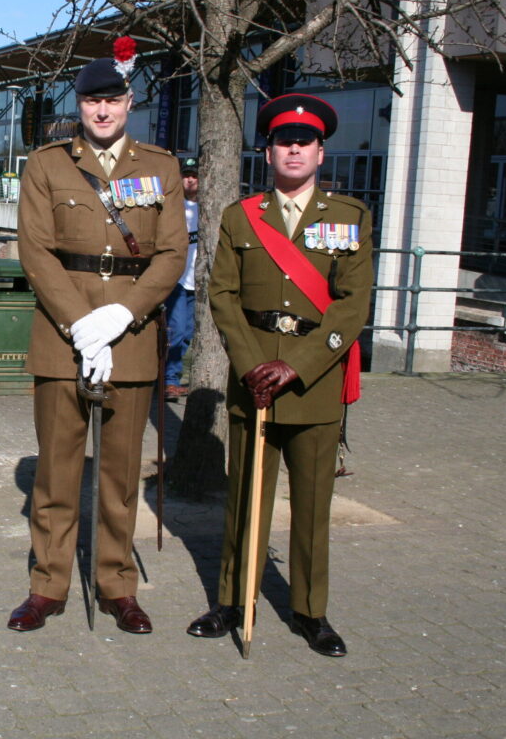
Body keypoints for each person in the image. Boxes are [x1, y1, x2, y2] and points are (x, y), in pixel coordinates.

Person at [186, 93, 372, 657]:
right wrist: (251, 365)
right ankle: (231, 601)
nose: (294, 150)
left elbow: (352, 304)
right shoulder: (241, 218)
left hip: (314, 384)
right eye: (283, 142)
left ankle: (311, 611)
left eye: (305, 142)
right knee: (245, 498)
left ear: (320, 152)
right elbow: (223, 294)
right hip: (255, 382)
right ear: (267, 152)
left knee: (312, 506)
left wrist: (297, 365)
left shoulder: (349, 218)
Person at [10, 46, 187, 634]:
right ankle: (48, 585)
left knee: (118, 476)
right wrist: (81, 324)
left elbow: (171, 254)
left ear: (129, 102)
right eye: (92, 100)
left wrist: (121, 317)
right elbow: (35, 250)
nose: (102, 110)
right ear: (80, 105)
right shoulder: (48, 164)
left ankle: (117, 585)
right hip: (64, 337)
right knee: (57, 473)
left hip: (131, 336)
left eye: (112, 99)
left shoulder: (159, 165)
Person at [164, 155, 199, 400]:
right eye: (186, 176)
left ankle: (173, 376)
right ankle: (169, 379)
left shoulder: (209, 207)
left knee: (187, 333)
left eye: (194, 176)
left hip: (197, 281)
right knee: (175, 332)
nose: (189, 180)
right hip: (177, 280)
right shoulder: (173, 206)